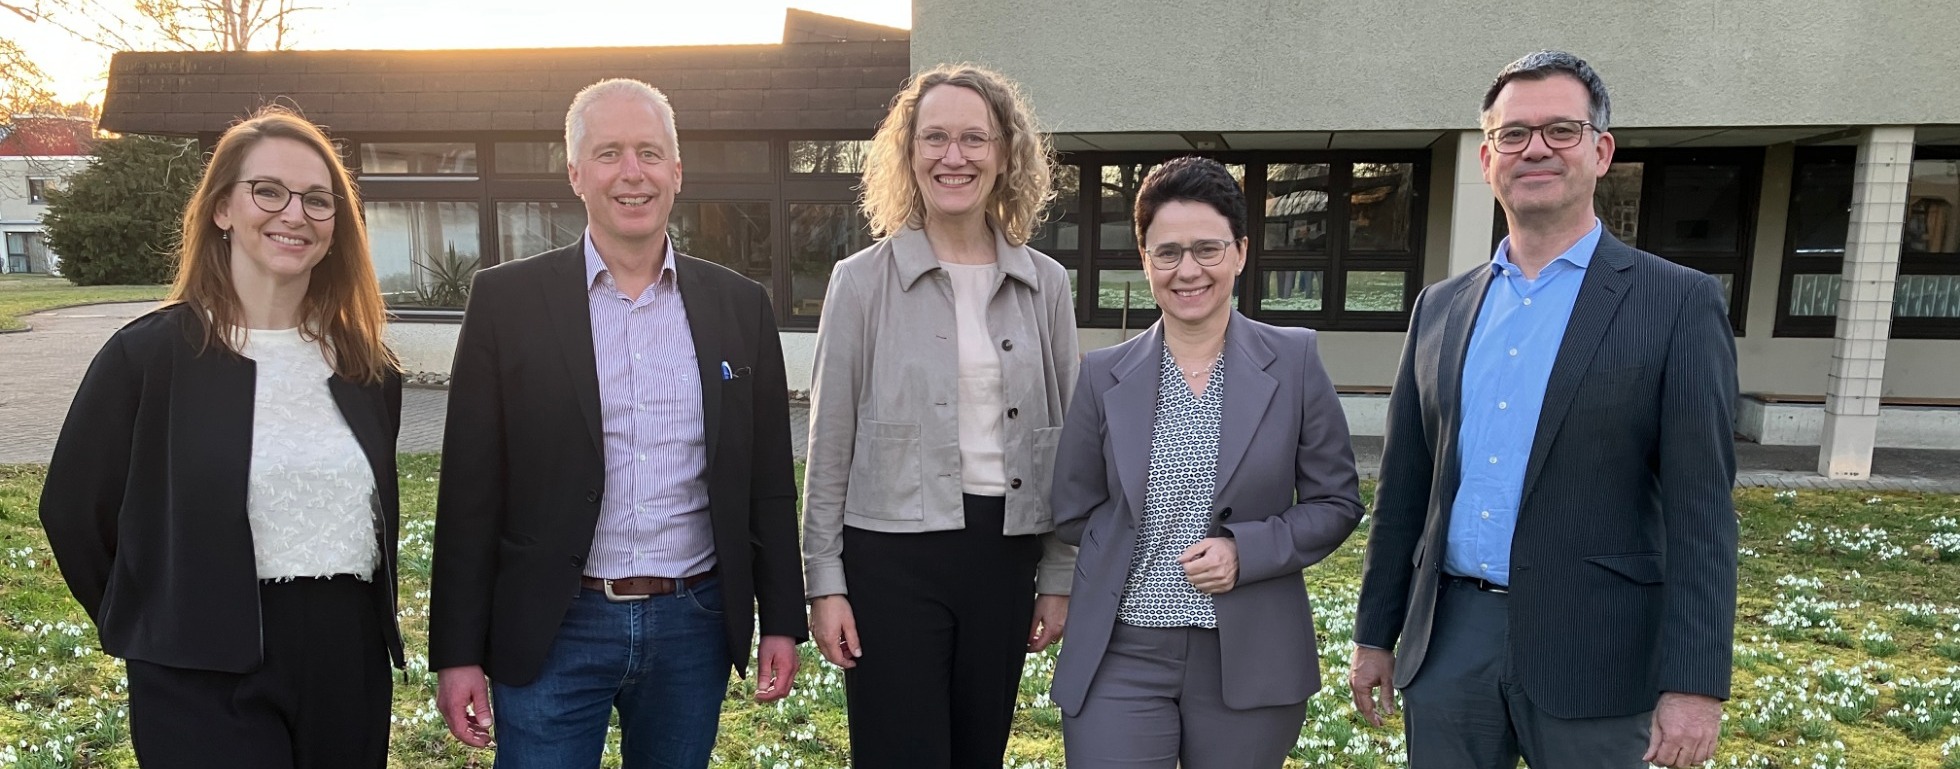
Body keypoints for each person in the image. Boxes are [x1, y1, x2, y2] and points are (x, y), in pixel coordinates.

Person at [1348, 50, 1739, 769]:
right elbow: (1405, 488)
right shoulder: (1442, 307)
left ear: (1601, 150)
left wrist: (1695, 684)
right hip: (1450, 642)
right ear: (1487, 157)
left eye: (1560, 130)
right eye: (1513, 133)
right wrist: (1376, 633)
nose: (1535, 149)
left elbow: (1702, 512)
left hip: (1598, 652)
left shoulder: (1677, 304)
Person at [427, 78, 804, 768]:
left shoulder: (740, 306)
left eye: (650, 153)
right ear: (575, 173)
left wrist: (782, 618)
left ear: (677, 172)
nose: (632, 173)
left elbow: (769, 482)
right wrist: (456, 653)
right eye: (608, 153)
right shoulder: (505, 302)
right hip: (554, 624)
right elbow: (468, 492)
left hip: (692, 625)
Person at [39, 106, 403, 768]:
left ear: (336, 226)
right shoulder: (145, 359)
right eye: (269, 190)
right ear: (222, 209)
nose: (295, 213)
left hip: (347, 657)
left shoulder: (367, 368)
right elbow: (72, 511)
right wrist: (159, 619)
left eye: (318, 200)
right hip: (197, 665)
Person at [800, 63, 1078, 769]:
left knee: (978, 752)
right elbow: (828, 441)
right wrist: (824, 579)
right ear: (909, 152)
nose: (953, 157)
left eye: (973, 139)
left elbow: (1067, 442)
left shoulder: (1045, 284)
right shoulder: (860, 281)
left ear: (1005, 154)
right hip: (889, 557)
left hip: (1004, 555)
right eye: (935, 139)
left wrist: (1059, 570)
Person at [1047, 156, 1363, 768]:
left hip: (1249, 656)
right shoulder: (1102, 374)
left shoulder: (1294, 361)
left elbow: (1337, 501)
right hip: (1122, 653)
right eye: (1167, 253)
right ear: (1145, 260)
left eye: (1207, 249)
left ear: (1240, 252)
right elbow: (1072, 509)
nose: (1187, 270)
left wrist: (1249, 550)